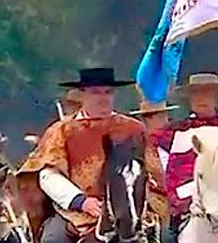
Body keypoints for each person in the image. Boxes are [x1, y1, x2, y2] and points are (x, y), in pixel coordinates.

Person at [15, 68, 167, 243]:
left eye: (108, 92)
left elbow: (154, 173)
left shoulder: (133, 129)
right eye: (96, 92)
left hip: (131, 209)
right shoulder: (62, 130)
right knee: (53, 240)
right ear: (83, 94)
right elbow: (48, 175)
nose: (103, 98)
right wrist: (80, 201)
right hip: (75, 211)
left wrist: (141, 202)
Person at [151, 73, 218, 235]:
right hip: (186, 208)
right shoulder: (172, 132)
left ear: (217, 97)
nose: (201, 98)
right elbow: (160, 172)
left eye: (207, 93)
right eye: (196, 93)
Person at [130, 100, 178, 171]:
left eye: (165, 115)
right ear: (148, 119)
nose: (166, 120)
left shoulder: (175, 138)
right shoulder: (137, 143)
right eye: (161, 117)